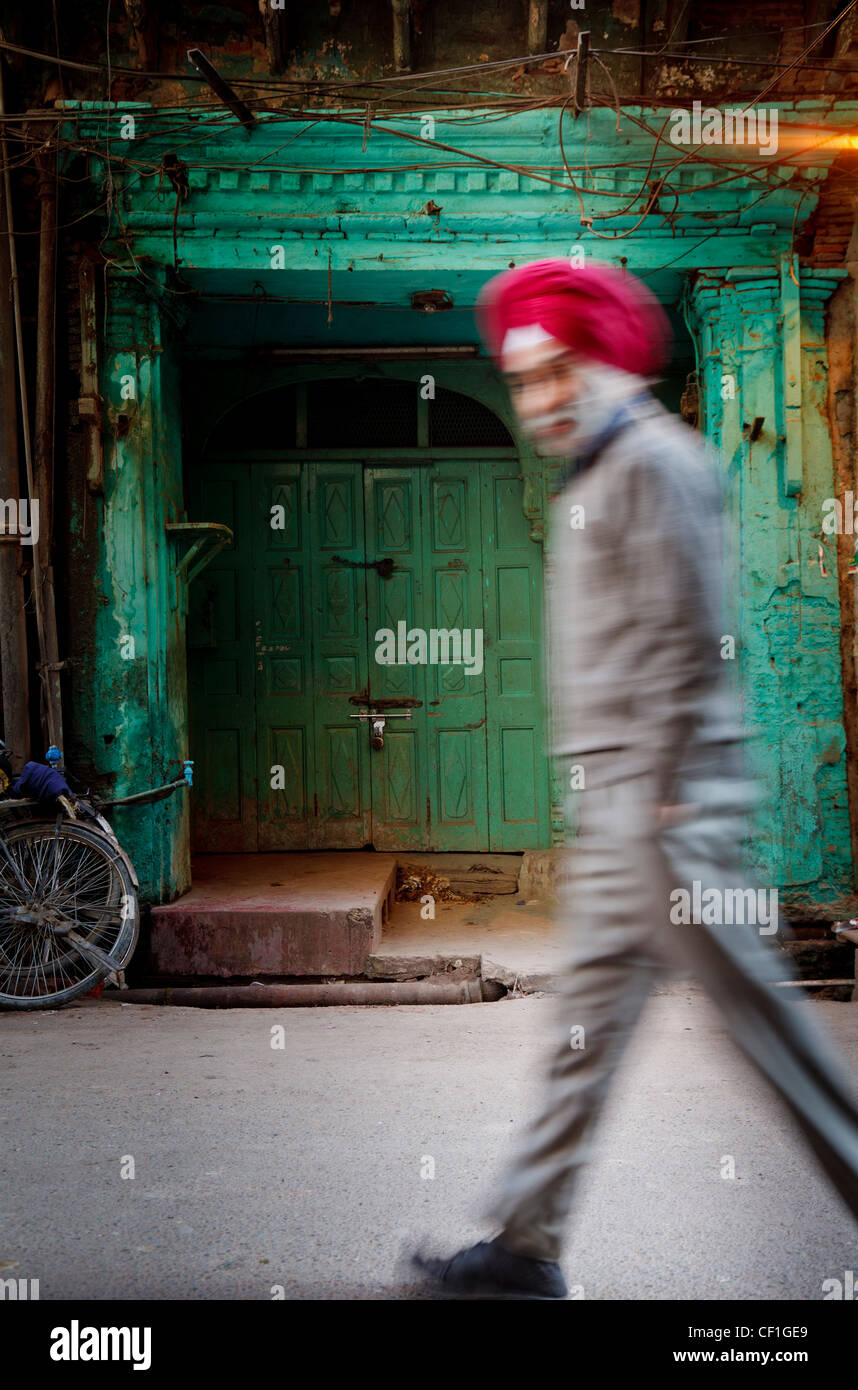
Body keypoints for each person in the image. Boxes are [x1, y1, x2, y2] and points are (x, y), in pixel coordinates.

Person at [410, 258, 858, 1300]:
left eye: (555, 374)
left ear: (599, 364)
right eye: (524, 382)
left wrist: (661, 794)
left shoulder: (660, 460)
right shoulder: (601, 471)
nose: (538, 401)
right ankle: (524, 1250)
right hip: (624, 816)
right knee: (582, 1031)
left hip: (671, 818)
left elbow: (689, 631)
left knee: (771, 1033)